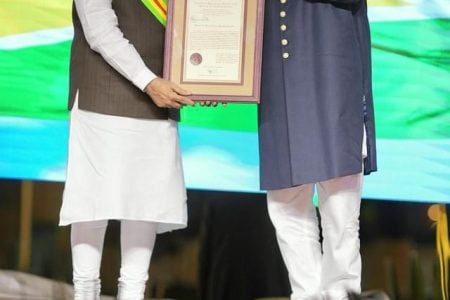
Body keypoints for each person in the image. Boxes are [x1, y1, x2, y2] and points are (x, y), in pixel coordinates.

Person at [59, 0, 195, 299]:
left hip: (157, 96)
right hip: (104, 94)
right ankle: (85, 293)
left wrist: (203, 84)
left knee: (146, 202)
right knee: (92, 202)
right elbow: (99, 30)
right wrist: (149, 82)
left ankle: (133, 294)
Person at [258, 0, 377, 299]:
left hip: (331, 72)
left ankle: (340, 293)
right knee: (286, 204)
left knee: (340, 208)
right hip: (275, 77)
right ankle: (306, 293)